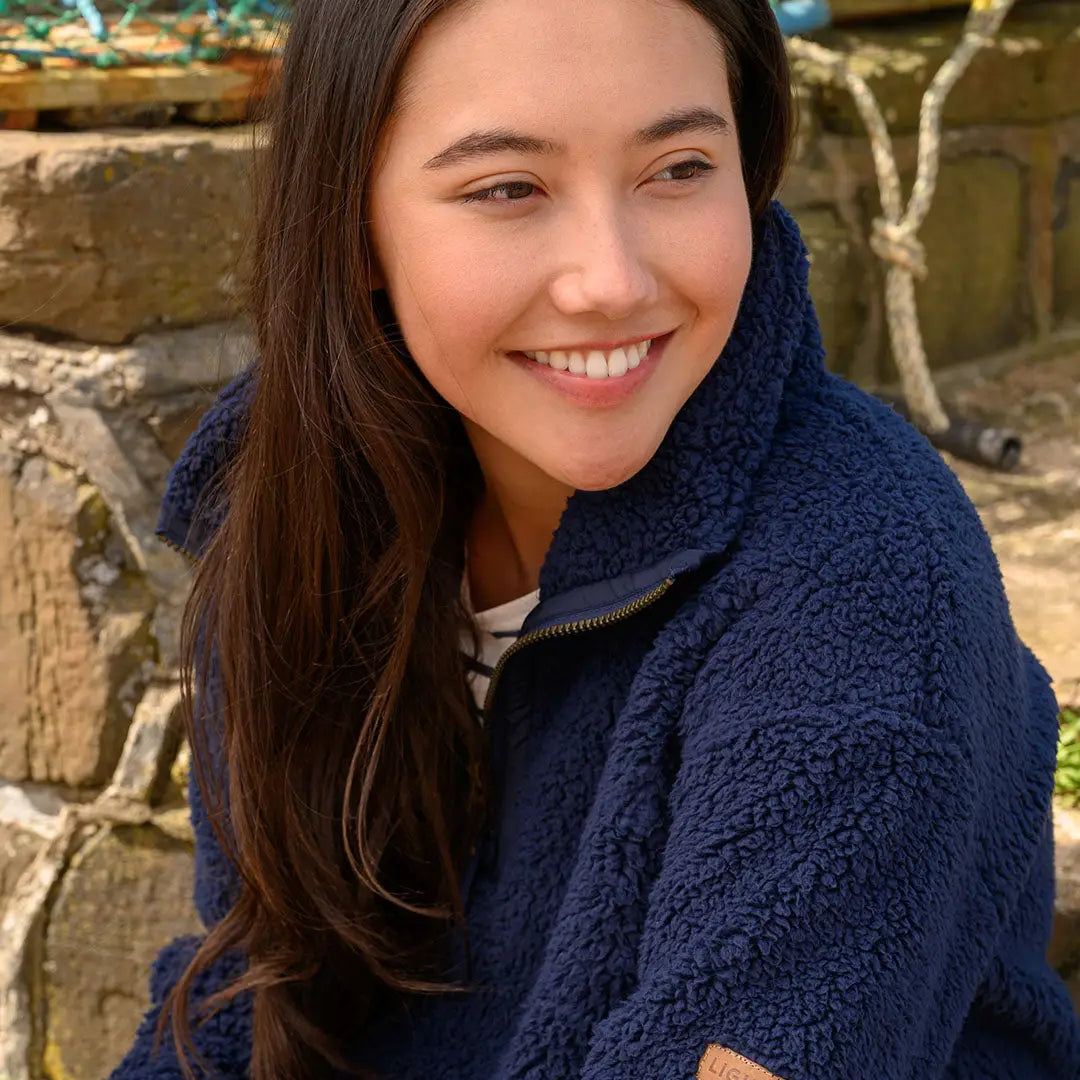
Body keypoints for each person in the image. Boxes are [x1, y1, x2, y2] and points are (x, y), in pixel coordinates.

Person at [111, 0, 1080, 1077]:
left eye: (678, 169)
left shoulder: (865, 578)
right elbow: (245, 991)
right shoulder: (292, 503)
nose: (611, 281)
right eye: (508, 189)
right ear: (354, 224)